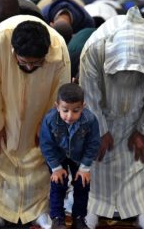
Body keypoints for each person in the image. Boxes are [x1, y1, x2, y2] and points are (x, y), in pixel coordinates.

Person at [79, 6, 144, 229]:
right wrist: (100, 131)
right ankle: (93, 210)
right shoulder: (95, 47)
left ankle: (140, 212)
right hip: (103, 110)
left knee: (140, 159)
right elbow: (89, 93)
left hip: (139, 114)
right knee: (98, 157)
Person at [0, 16, 71, 229]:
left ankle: (39, 211)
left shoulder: (59, 51)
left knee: (38, 157)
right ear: (13, 51)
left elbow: (61, 92)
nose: (29, 67)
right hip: (5, 105)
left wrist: (47, 124)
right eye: (24, 62)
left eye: (35, 63)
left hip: (40, 110)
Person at [39, 83, 100, 229]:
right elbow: (46, 145)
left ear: (83, 106)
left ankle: (79, 217)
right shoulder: (49, 119)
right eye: (65, 110)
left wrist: (84, 168)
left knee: (82, 184)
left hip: (78, 157)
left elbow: (93, 144)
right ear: (57, 106)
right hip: (57, 157)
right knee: (58, 184)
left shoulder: (90, 120)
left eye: (76, 110)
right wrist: (56, 168)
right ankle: (57, 218)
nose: (70, 116)